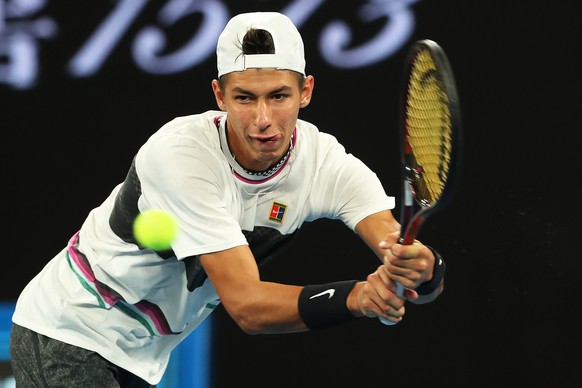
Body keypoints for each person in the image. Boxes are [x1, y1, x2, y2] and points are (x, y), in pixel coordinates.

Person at [10, 11, 446, 387]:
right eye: (244, 98)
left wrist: (421, 270)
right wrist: (357, 298)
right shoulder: (180, 156)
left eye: (279, 96)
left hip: (140, 355)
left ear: (306, 92)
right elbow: (248, 307)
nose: (262, 120)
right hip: (71, 330)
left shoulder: (327, 165)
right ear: (219, 96)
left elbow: (397, 248)